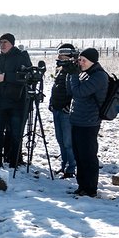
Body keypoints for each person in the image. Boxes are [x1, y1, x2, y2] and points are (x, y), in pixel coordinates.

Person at [0, 33, 32, 168]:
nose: (2, 44)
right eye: (0, 42)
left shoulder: (21, 57)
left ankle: (14, 160)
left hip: (17, 102)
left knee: (16, 134)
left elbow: (28, 77)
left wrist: (7, 77)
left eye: (5, 42)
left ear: (12, 43)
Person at [67, 48, 108, 198]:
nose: (81, 63)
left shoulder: (99, 77)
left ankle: (90, 188)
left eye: (84, 60)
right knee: (79, 154)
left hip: (89, 122)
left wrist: (74, 75)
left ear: (93, 61)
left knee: (88, 155)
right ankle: (82, 185)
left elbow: (79, 92)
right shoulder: (85, 74)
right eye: (80, 60)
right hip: (78, 119)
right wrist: (70, 74)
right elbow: (71, 91)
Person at [48, 43, 79, 178]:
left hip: (66, 110)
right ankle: (64, 164)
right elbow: (56, 87)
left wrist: (70, 105)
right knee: (60, 139)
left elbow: (76, 90)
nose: (60, 57)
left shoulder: (74, 70)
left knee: (68, 141)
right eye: (59, 54)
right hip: (57, 107)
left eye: (63, 55)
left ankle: (71, 167)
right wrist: (51, 102)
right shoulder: (59, 69)